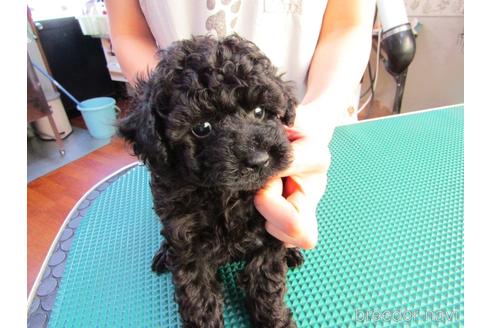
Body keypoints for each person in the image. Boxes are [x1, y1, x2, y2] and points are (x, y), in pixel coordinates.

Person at [106, 0, 376, 250]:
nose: (256, 155)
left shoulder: (274, 131)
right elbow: (128, 31)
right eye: (203, 128)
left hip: (306, 125)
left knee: (270, 233)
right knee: (188, 246)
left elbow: (348, 25)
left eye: (259, 111)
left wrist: (315, 119)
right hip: (187, 155)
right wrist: (169, 92)